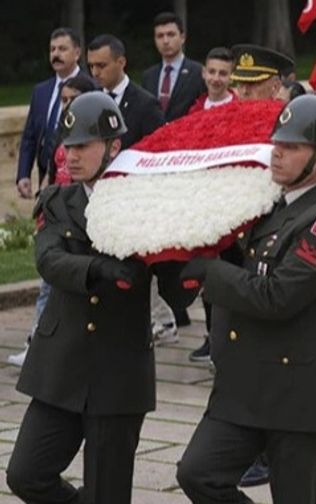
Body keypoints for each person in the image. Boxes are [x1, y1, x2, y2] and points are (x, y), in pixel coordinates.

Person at [5, 92, 195, 504]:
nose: (71, 156)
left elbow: (176, 288)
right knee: (26, 474)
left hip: (118, 368)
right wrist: (97, 270)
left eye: (82, 146)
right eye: (67, 146)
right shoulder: (58, 201)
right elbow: (50, 260)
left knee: (107, 492)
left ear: (113, 146)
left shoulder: (145, 203)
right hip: (61, 364)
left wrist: (197, 255)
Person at [175, 95, 316, 504]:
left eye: (291, 147)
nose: (278, 154)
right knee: (197, 474)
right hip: (246, 389)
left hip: (299, 397)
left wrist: (210, 271)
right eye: (277, 143)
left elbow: (278, 296)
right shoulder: (270, 205)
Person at [7, 74, 97, 368]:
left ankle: (41, 343)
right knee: (49, 283)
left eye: (72, 99)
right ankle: (38, 342)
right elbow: (49, 163)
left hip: (78, 218)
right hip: (57, 213)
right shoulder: (64, 130)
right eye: (64, 100)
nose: (66, 105)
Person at [17, 27, 82, 199]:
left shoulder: (90, 88)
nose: (56, 54)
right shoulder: (41, 91)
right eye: (52, 49)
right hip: (45, 175)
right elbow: (30, 136)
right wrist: (23, 174)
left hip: (77, 179)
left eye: (62, 49)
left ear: (77, 53)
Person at [87, 34, 165, 150]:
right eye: (91, 66)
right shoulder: (89, 101)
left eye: (101, 65)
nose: (95, 73)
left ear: (121, 62)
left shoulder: (146, 104)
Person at [142, 12, 206, 121]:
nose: (165, 41)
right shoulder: (148, 76)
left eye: (171, 35)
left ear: (182, 37)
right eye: (160, 36)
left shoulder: (198, 72)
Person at [230, 43, 295, 101]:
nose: (245, 91)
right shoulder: (227, 113)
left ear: (275, 87)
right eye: (241, 84)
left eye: (252, 84)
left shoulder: (286, 114)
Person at [187, 47, 237, 114]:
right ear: (204, 73)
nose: (216, 78)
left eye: (222, 74)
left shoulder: (238, 108)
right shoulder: (194, 110)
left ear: (231, 77)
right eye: (211, 72)